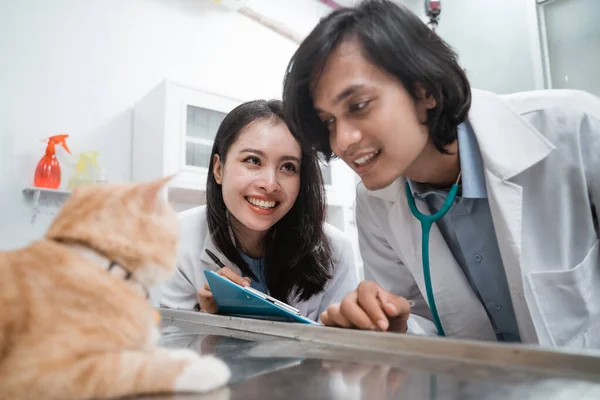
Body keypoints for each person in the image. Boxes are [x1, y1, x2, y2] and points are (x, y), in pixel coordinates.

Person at [282, 0, 600, 348]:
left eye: (358, 106)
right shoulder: (374, 203)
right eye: (328, 121)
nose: (342, 141)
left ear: (425, 91)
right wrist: (390, 326)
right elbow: (417, 317)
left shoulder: (577, 129)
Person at [160, 99, 359, 321]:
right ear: (218, 169)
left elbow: (344, 348)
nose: (270, 183)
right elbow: (167, 345)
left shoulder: (336, 251)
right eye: (253, 160)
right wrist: (210, 320)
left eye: (288, 167)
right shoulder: (173, 240)